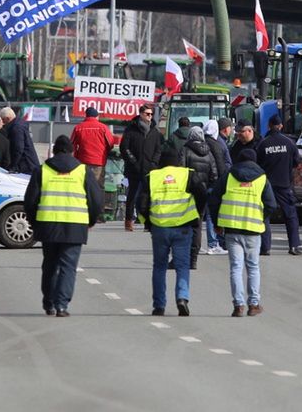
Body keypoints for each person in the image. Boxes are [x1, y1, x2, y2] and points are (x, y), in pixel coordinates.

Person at [24, 135, 104, 317]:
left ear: (53, 151)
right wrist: (90, 221)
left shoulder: (42, 170)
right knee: (68, 266)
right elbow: (96, 200)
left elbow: (30, 200)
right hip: (75, 226)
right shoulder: (82, 171)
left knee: (50, 265)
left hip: (48, 225)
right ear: (72, 151)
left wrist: (34, 222)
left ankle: (49, 303)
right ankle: (62, 306)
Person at [135, 147, 206, 316]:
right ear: (178, 161)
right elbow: (202, 194)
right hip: (182, 226)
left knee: (159, 266)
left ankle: (159, 305)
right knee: (182, 266)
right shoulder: (188, 174)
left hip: (159, 227)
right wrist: (197, 214)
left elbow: (141, 204)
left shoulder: (152, 177)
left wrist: (147, 223)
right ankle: (182, 297)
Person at [211, 146, 277, 317]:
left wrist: (217, 222)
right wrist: (261, 217)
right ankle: (253, 304)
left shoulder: (229, 176)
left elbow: (214, 199)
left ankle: (238, 305)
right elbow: (271, 204)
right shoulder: (262, 178)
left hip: (232, 228)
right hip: (253, 230)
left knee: (236, 267)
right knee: (253, 267)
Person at [256, 115, 301, 255]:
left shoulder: (263, 144)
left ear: (269, 125)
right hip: (284, 184)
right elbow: (297, 162)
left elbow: (258, 164)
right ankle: (294, 246)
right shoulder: (289, 143)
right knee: (290, 215)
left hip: (267, 185)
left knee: (265, 216)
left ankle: (265, 247)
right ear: (281, 126)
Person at [119, 104, 163, 232]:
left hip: (149, 168)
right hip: (134, 168)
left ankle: (147, 223)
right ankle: (128, 221)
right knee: (132, 195)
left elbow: (159, 149)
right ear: (141, 114)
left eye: (151, 114)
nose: (149, 117)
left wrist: (154, 162)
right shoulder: (131, 129)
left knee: (148, 196)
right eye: (147, 114)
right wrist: (133, 161)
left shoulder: (155, 131)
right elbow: (124, 147)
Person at [180, 125, 216, 269]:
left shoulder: (185, 150)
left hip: (188, 192)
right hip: (202, 193)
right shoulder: (209, 153)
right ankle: (193, 259)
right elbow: (214, 174)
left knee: (184, 225)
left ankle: (182, 257)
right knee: (198, 225)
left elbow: (181, 170)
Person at [202, 119, 229, 254]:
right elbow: (220, 164)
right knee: (212, 213)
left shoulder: (201, 142)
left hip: (201, 182)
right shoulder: (216, 144)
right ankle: (213, 244)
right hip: (214, 183)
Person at [69, 107, 114, 185]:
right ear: (97, 116)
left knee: (83, 186)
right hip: (99, 162)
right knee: (97, 187)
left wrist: (76, 158)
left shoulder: (78, 128)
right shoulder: (103, 128)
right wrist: (105, 152)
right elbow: (111, 144)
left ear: (86, 116)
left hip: (83, 161)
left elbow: (71, 145)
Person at [1, 106, 40, 175]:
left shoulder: (16, 129)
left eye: (3, 120)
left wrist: (12, 166)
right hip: (29, 163)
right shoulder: (20, 123)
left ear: (7, 118)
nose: (3, 123)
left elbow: (18, 149)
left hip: (26, 165)